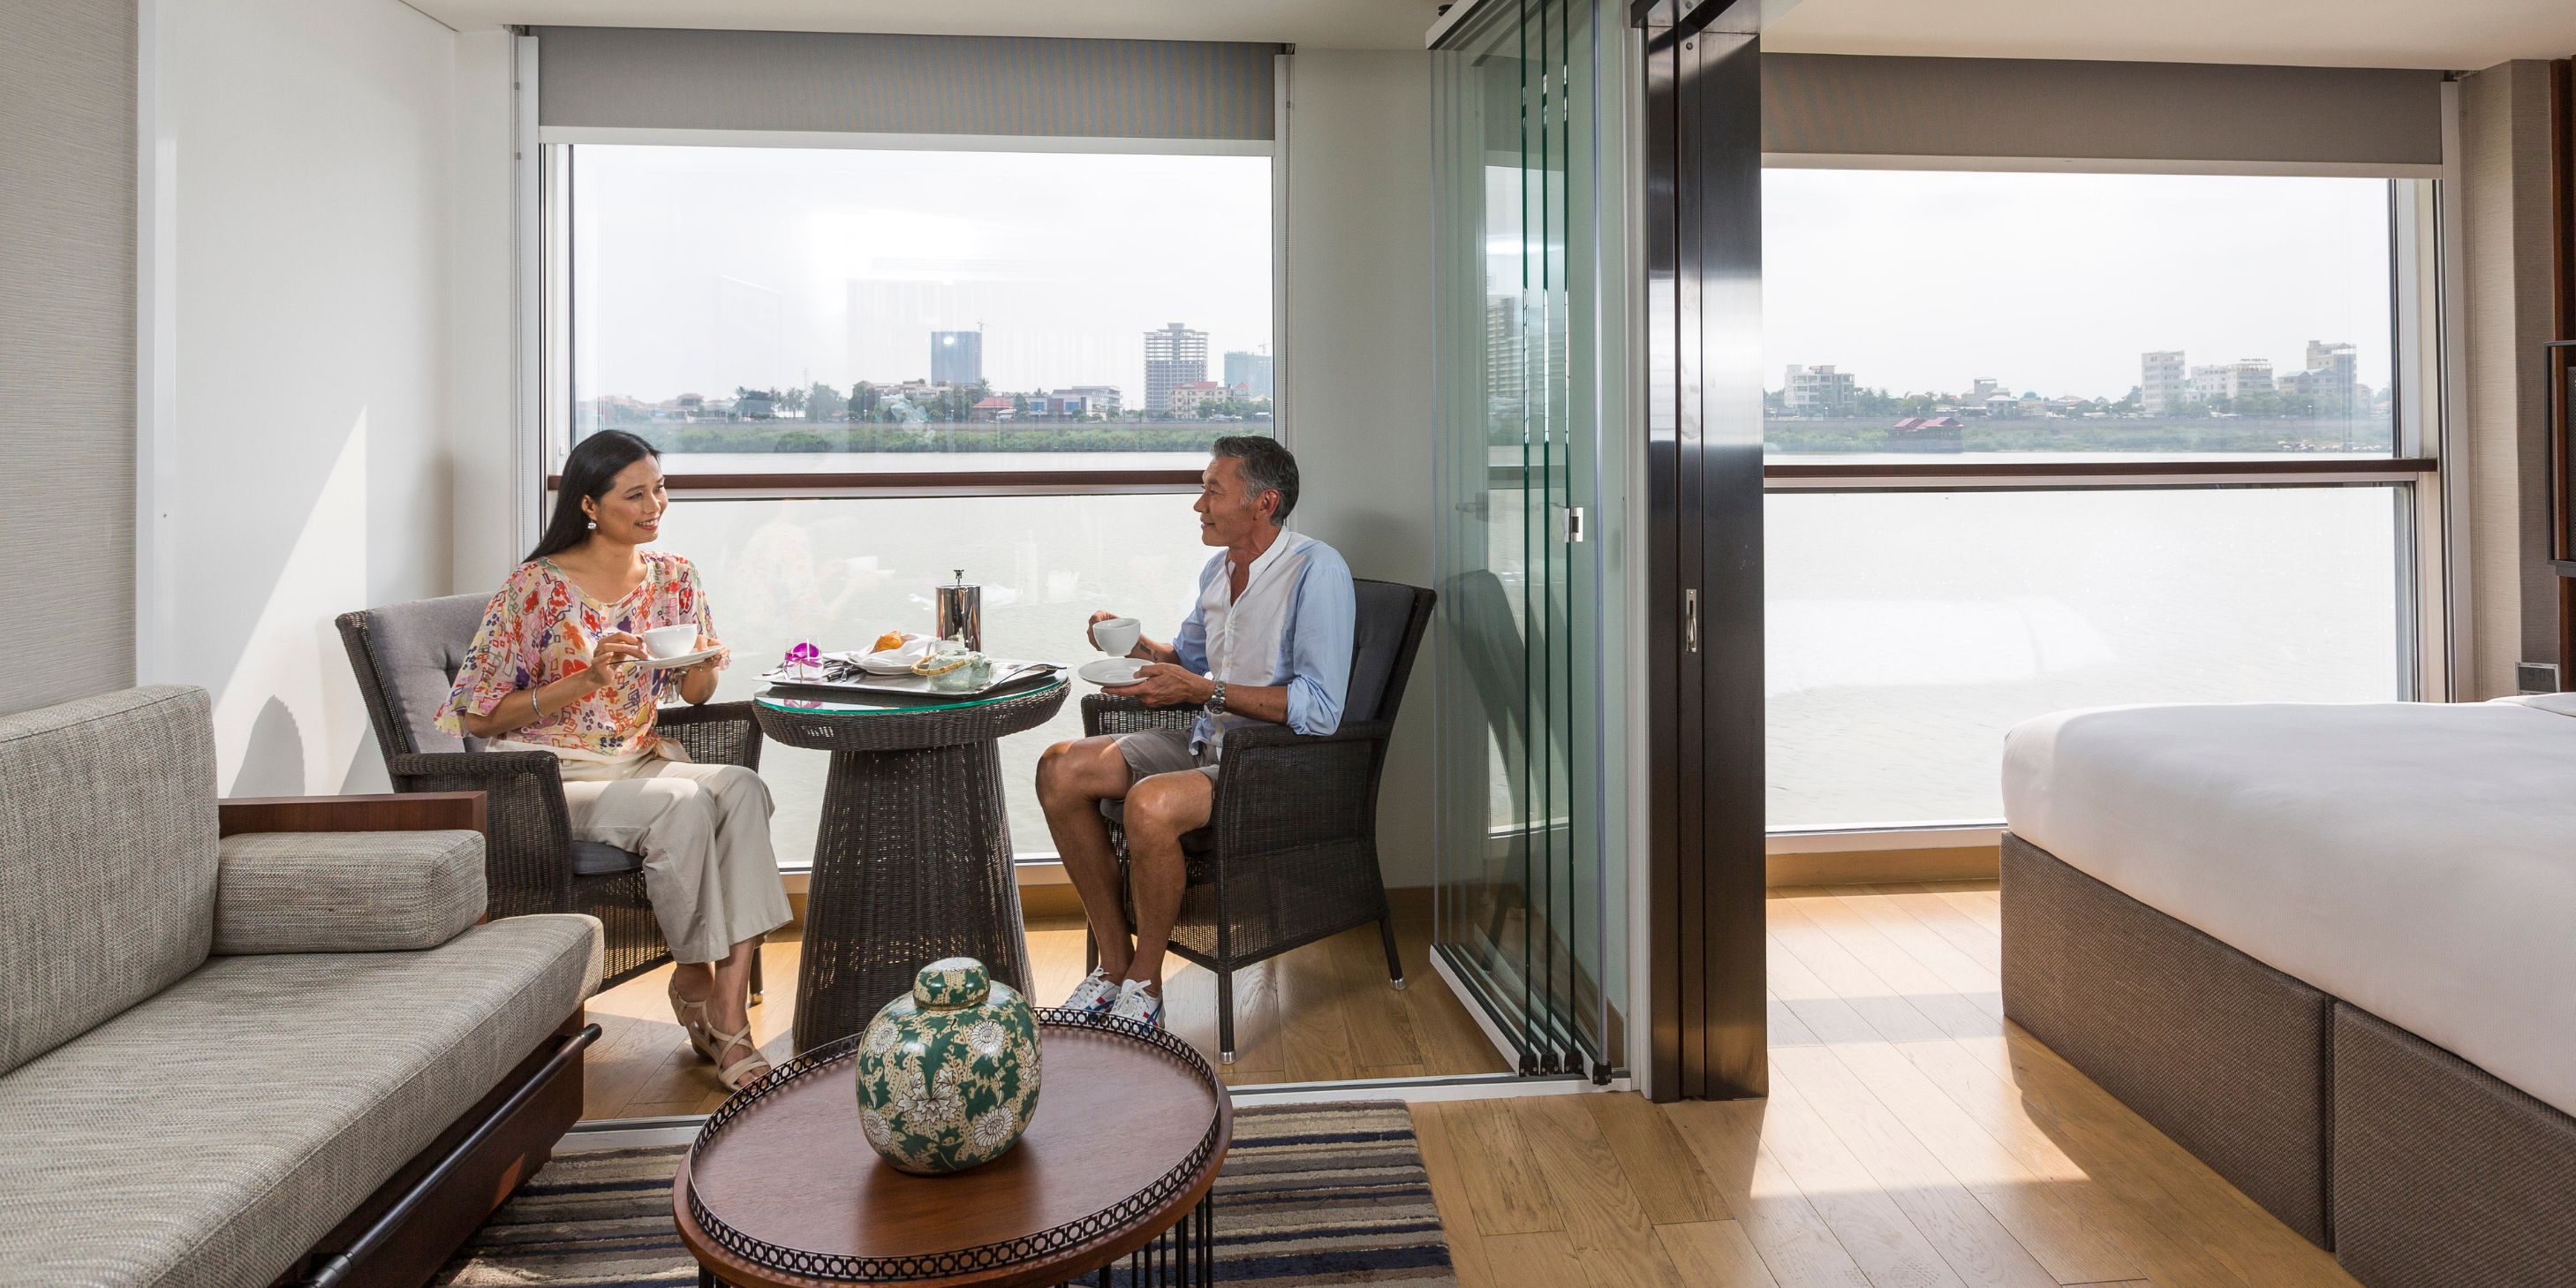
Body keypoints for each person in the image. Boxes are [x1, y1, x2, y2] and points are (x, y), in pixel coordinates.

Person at [437, 430, 790, 1091]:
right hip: (549, 778)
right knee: (682, 805)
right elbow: (478, 715)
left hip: (640, 760)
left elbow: (694, 693)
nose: (655, 504)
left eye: (659, 487)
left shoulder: (674, 576)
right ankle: (693, 977)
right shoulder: (534, 588)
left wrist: (702, 666)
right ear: (590, 505)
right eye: (635, 494)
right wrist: (584, 681)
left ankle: (724, 1002)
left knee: (741, 787)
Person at [1033, 436, 1356, 1030]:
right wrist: (1129, 644)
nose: (1197, 505)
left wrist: (1199, 690)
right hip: (1208, 741)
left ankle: (1144, 982)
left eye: (1213, 489)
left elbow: (1320, 707)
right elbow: (1185, 656)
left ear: (1264, 502)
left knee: (1150, 804)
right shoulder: (1218, 567)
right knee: (1060, 768)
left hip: (1276, 761)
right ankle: (1111, 968)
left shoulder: (1316, 570)